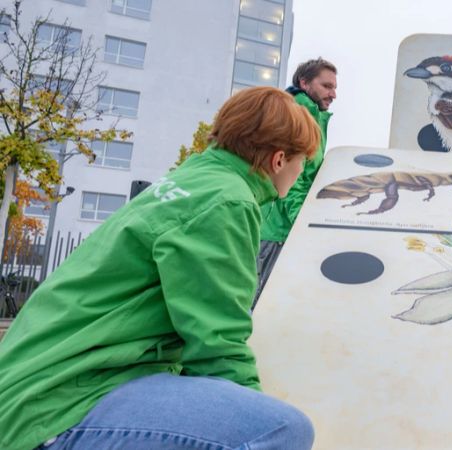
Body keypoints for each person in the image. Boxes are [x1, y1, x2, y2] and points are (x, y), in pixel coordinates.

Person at [0, 86, 320, 450]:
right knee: (281, 430)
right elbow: (217, 346)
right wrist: (253, 407)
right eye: (302, 163)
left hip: (40, 384)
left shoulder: (189, 182)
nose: (299, 173)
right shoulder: (226, 201)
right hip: (58, 405)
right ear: (279, 160)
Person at [254, 57, 337, 308]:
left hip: (281, 228)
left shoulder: (311, 116)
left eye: (334, 88)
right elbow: (294, 181)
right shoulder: (299, 115)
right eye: (326, 86)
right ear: (304, 82)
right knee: (263, 307)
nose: (333, 94)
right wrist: (304, 229)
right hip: (278, 230)